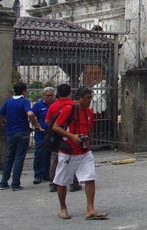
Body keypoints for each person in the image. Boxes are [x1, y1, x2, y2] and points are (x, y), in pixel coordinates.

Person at [52, 86, 108, 220]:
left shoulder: (89, 112)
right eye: (87, 98)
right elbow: (55, 127)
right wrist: (72, 136)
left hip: (84, 152)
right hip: (68, 152)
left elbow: (88, 130)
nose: (90, 101)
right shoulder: (69, 109)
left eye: (91, 98)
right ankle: (63, 208)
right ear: (78, 98)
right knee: (62, 181)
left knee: (90, 178)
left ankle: (90, 208)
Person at [0, 81, 41, 191]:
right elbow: (30, 113)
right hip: (22, 132)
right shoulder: (24, 102)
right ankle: (15, 183)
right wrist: (35, 124)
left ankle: (3, 182)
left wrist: (6, 122)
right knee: (19, 158)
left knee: (9, 157)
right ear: (24, 92)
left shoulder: (8, 102)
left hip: (11, 132)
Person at [45, 83, 81, 193]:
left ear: (58, 94)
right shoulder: (74, 106)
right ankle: (73, 182)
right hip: (70, 135)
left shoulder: (54, 106)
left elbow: (47, 121)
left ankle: (53, 183)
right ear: (70, 93)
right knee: (73, 158)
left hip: (56, 136)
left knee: (55, 159)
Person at [31, 86, 56, 184]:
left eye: (51, 95)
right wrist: (37, 125)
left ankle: (47, 174)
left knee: (49, 155)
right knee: (39, 154)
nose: (50, 98)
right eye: (48, 96)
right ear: (43, 96)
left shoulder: (55, 104)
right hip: (41, 134)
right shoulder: (38, 105)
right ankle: (38, 175)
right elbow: (31, 116)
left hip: (52, 134)